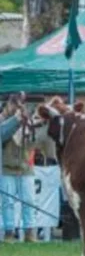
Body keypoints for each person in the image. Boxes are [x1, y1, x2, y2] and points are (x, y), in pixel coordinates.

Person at [1, 93, 34, 243]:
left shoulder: (27, 118)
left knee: (28, 200)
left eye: (20, 103)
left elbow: (33, 139)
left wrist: (27, 122)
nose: (17, 106)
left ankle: (29, 233)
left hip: (25, 166)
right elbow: (2, 134)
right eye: (14, 103)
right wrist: (15, 121)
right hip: (6, 166)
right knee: (8, 202)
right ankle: (9, 233)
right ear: (9, 103)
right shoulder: (3, 119)